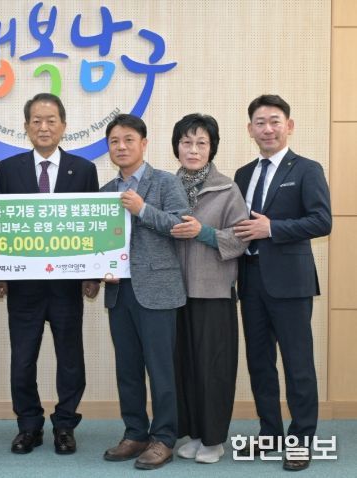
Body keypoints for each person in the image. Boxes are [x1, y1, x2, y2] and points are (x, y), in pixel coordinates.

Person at [0, 93, 99, 456]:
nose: (43, 127)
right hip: (23, 286)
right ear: (25, 127)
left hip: (67, 285)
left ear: (63, 126)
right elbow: (0, 225)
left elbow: (92, 225)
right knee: (22, 360)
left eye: (51, 120)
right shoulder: (9, 169)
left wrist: (92, 274)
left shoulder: (83, 169)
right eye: (36, 121)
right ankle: (29, 425)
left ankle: (65, 425)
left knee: (70, 360)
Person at [233, 95, 331, 472]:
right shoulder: (243, 174)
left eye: (275, 121)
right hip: (250, 281)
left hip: (291, 283)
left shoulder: (307, 169)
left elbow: (322, 221)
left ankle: (301, 439)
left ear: (289, 125)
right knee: (260, 363)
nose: (267, 129)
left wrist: (272, 228)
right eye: (260, 122)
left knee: (297, 364)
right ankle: (269, 433)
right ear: (250, 129)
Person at [100, 114, 188, 470]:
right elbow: (97, 242)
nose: (121, 147)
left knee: (161, 368)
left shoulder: (166, 182)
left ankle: (164, 438)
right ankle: (135, 432)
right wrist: (97, 270)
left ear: (144, 144)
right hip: (118, 292)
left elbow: (181, 225)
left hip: (158, 289)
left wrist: (143, 209)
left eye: (128, 140)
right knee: (128, 368)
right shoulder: (105, 191)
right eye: (114, 141)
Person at [169, 114, 248, 463]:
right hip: (173, 293)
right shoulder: (165, 187)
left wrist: (203, 233)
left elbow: (241, 238)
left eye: (201, 143)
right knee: (184, 367)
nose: (193, 150)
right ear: (177, 147)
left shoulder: (227, 189)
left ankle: (215, 440)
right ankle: (196, 434)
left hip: (214, 292)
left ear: (212, 148)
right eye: (186, 142)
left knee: (214, 367)